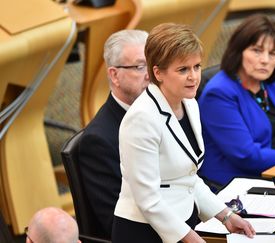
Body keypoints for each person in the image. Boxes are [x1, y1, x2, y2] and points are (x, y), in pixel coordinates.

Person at [112, 23, 255, 243]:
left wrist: (225, 215)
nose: (194, 77)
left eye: (196, 66)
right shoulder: (141, 119)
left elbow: (187, 177)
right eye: (183, 70)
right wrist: (189, 238)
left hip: (182, 222)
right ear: (158, 72)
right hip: (144, 232)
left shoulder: (190, 104)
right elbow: (148, 199)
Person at [198, 14, 275, 187]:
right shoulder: (218, 93)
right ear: (238, 51)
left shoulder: (271, 82)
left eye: (273, 54)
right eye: (257, 51)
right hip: (241, 178)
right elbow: (245, 155)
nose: (265, 60)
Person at [78, 29, 149, 239]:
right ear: (114, 75)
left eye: (153, 64)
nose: (150, 75)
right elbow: (118, 223)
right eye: (139, 67)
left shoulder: (163, 112)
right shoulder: (99, 140)